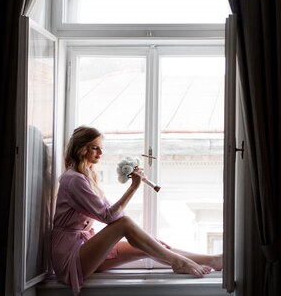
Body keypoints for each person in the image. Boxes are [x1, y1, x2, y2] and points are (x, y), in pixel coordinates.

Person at [51, 126, 222, 295]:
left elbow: (113, 213)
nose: (100, 154)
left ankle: (212, 260)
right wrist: (133, 187)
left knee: (149, 245)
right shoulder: (74, 180)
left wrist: (142, 236)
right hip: (69, 256)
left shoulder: (85, 177)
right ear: (81, 149)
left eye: (101, 148)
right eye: (95, 148)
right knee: (126, 225)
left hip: (83, 247)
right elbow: (109, 216)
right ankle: (178, 262)